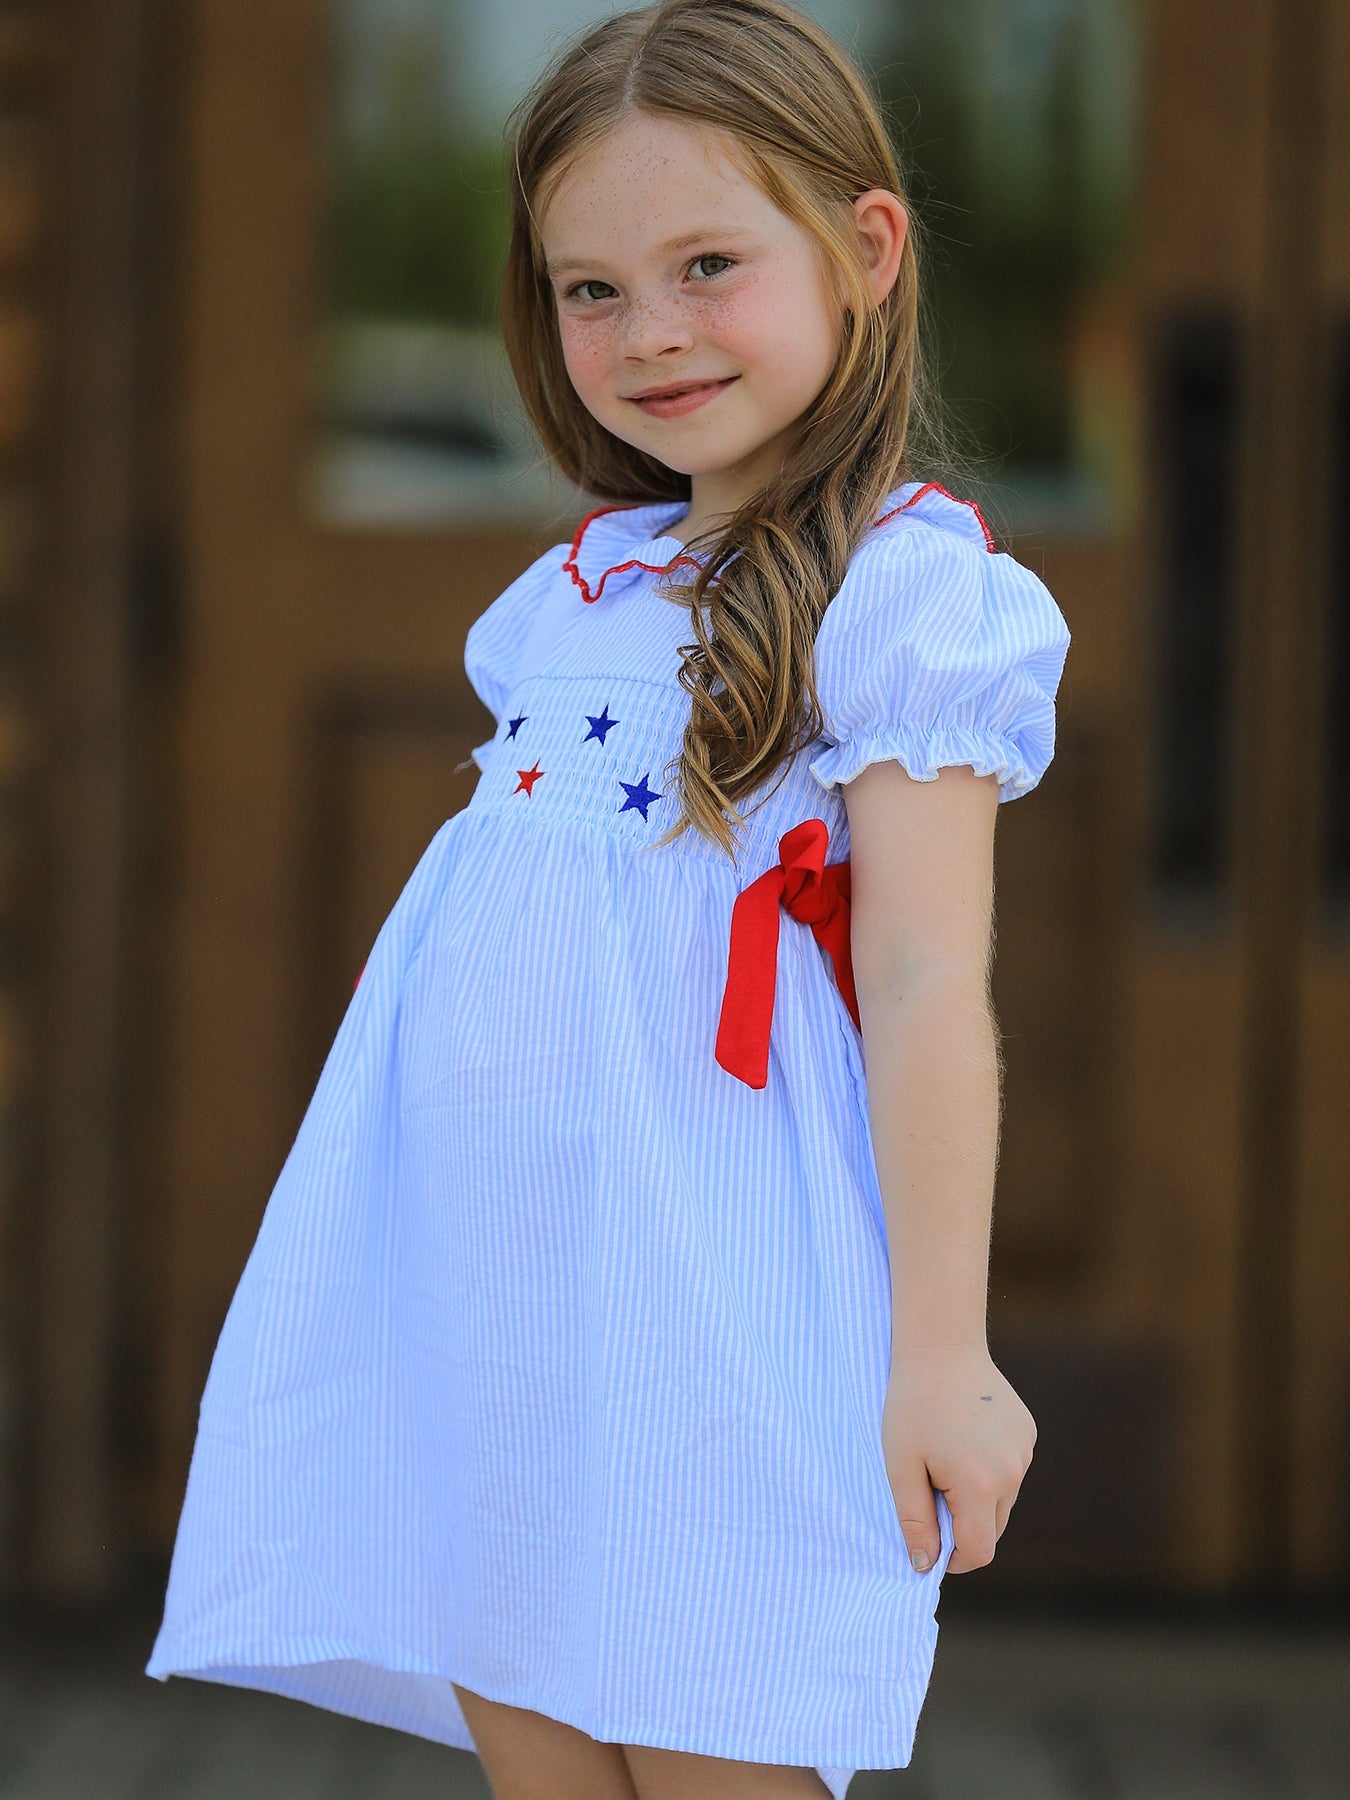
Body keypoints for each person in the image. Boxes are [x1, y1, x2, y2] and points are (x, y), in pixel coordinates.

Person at [147, 3, 1072, 1796]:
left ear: (863, 251)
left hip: (715, 1306)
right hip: (500, 1292)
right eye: (590, 289)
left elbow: (923, 981)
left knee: (715, 1729)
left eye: (706, 265)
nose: (648, 333)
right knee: (541, 1741)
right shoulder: (573, 595)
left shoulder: (906, 603)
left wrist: (942, 1351)